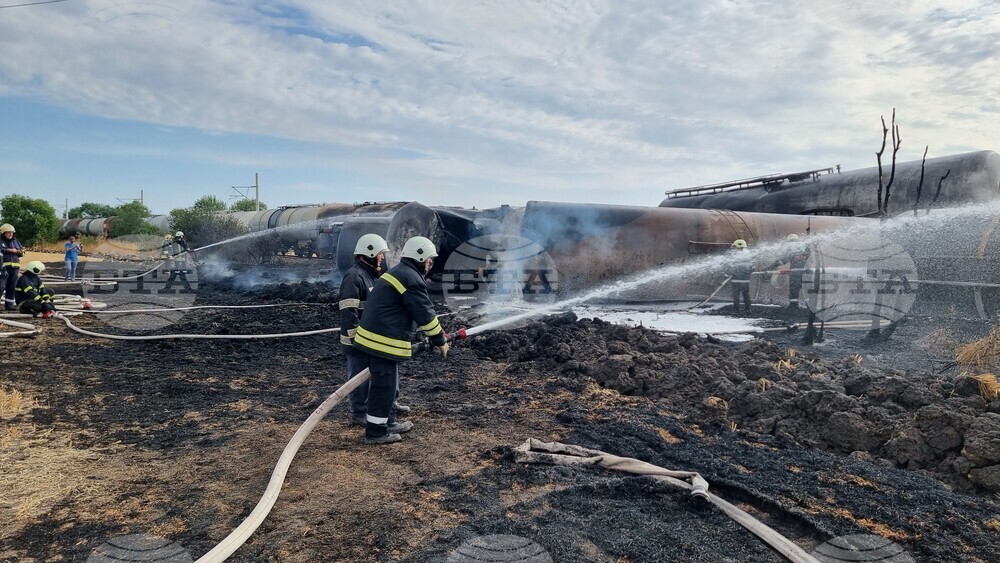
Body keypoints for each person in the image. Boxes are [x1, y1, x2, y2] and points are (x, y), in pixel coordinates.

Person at [353, 236, 449, 445]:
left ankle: (389, 422)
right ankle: (376, 433)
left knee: (388, 387)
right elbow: (424, 313)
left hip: (377, 338)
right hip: (381, 342)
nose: (430, 263)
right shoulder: (411, 278)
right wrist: (440, 340)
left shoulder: (400, 272)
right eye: (429, 259)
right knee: (383, 389)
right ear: (420, 257)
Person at [339, 233, 390, 427]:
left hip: (369, 338)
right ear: (370, 253)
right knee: (358, 378)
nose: (382, 257)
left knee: (377, 374)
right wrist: (356, 340)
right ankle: (358, 412)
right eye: (380, 253)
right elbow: (348, 311)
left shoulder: (370, 275)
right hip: (357, 342)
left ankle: (385, 404)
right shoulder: (354, 277)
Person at [771, 233, 810, 308]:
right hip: (802, 273)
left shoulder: (797, 249)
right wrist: (773, 265)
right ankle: (797, 305)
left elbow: (783, 260)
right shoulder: (802, 248)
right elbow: (783, 260)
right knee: (800, 289)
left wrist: (773, 266)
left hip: (797, 273)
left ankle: (794, 306)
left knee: (794, 290)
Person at [0, 223, 24, 311]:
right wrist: (10, 250)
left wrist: (17, 251)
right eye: (8, 232)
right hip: (3, 268)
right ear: (3, 233)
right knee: (1, 286)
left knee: (12, 287)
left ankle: (9, 305)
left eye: (12, 233)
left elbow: (22, 252)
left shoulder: (16, 241)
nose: (11, 234)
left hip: (15, 268)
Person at [726, 239, 753, 315]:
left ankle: (736, 310)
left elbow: (729, 266)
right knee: (746, 295)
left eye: (735, 246)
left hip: (735, 279)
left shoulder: (734, 255)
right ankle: (748, 309)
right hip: (746, 280)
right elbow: (752, 267)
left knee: (736, 296)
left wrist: (727, 274)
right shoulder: (749, 255)